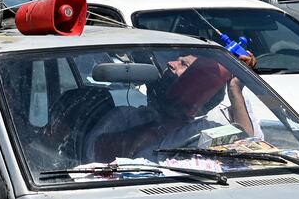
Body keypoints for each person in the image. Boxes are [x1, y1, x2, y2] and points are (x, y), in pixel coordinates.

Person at [87, 53, 256, 162]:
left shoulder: (203, 131)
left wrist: (235, 89)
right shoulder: (125, 117)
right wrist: (157, 129)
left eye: (184, 65)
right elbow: (95, 154)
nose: (171, 63)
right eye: (178, 59)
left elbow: (246, 144)